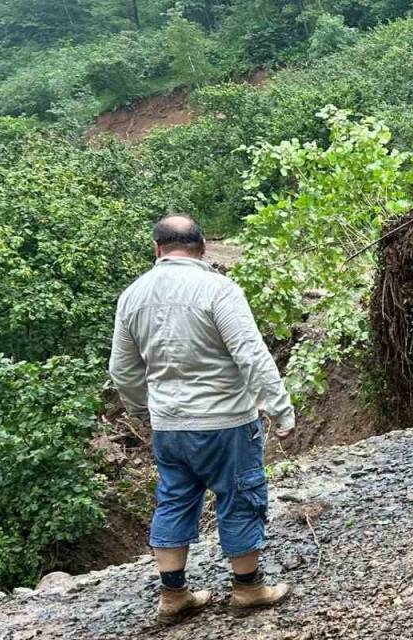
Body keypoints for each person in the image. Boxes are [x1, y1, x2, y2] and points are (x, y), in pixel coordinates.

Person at [108, 215, 296, 624]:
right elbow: (250, 354)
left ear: (157, 248)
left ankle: (174, 595)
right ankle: (248, 589)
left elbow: (122, 370)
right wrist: (279, 408)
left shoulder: (132, 295)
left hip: (169, 426)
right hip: (225, 421)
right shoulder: (219, 290)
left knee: (174, 499)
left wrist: (144, 410)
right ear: (204, 247)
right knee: (240, 496)